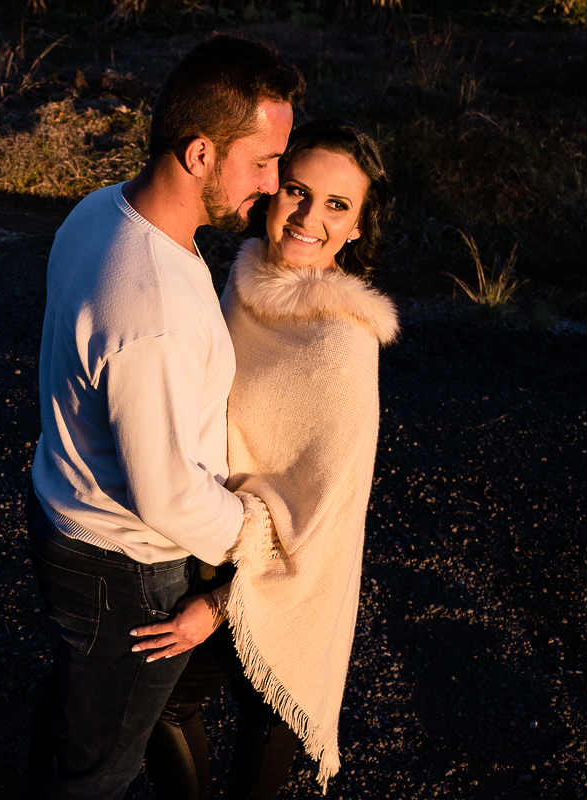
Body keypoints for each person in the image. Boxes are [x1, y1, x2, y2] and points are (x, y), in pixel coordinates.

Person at [23, 35, 304, 799]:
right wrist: (257, 547)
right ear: (200, 152)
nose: (276, 186)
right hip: (121, 564)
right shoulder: (154, 308)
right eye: (263, 162)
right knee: (101, 769)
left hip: (65, 513)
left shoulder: (97, 212)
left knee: (81, 709)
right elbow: (171, 498)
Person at [135, 117, 400, 799]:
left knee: (235, 723)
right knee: (160, 707)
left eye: (337, 206)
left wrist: (218, 607)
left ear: (358, 229)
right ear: (272, 189)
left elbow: (320, 524)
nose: (309, 217)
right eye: (297, 190)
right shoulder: (246, 278)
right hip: (212, 540)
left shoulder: (343, 346)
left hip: (287, 587)